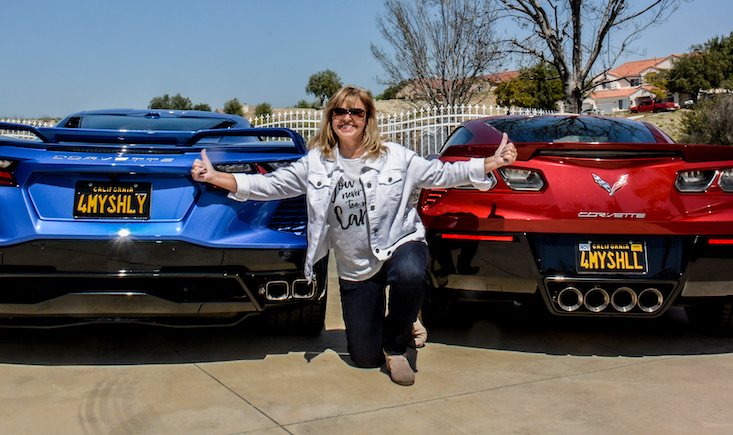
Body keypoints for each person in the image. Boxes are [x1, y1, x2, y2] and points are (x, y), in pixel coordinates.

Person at [191, 86, 517, 385]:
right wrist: (216, 176)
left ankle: (396, 346)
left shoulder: (396, 157)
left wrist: (491, 163)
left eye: (356, 112)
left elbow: (442, 173)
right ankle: (402, 324)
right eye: (340, 112)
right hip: (356, 265)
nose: (348, 118)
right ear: (331, 118)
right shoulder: (315, 164)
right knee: (363, 357)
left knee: (409, 272)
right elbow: (270, 185)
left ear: (367, 119)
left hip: (399, 243)